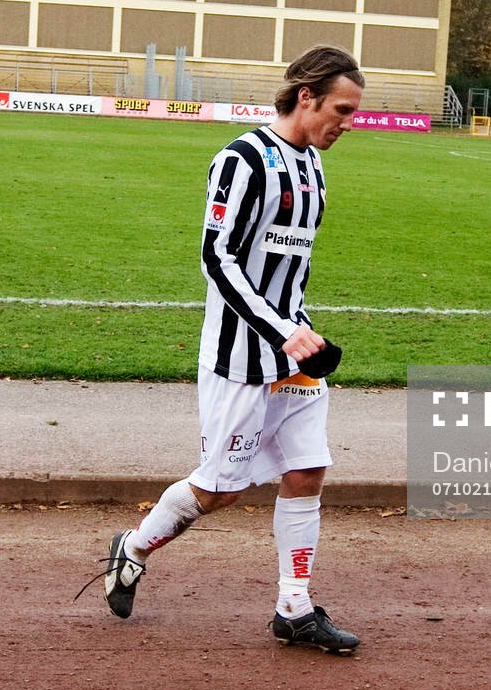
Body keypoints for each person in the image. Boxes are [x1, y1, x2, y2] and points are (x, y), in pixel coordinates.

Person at [94, 46, 366, 654]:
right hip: (240, 355)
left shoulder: (314, 167)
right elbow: (218, 258)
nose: (349, 122)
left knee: (307, 470)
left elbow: (287, 266)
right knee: (219, 490)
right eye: (342, 110)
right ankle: (134, 547)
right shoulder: (244, 158)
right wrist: (279, 330)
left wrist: (300, 333)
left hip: (291, 353)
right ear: (306, 97)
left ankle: (294, 608)